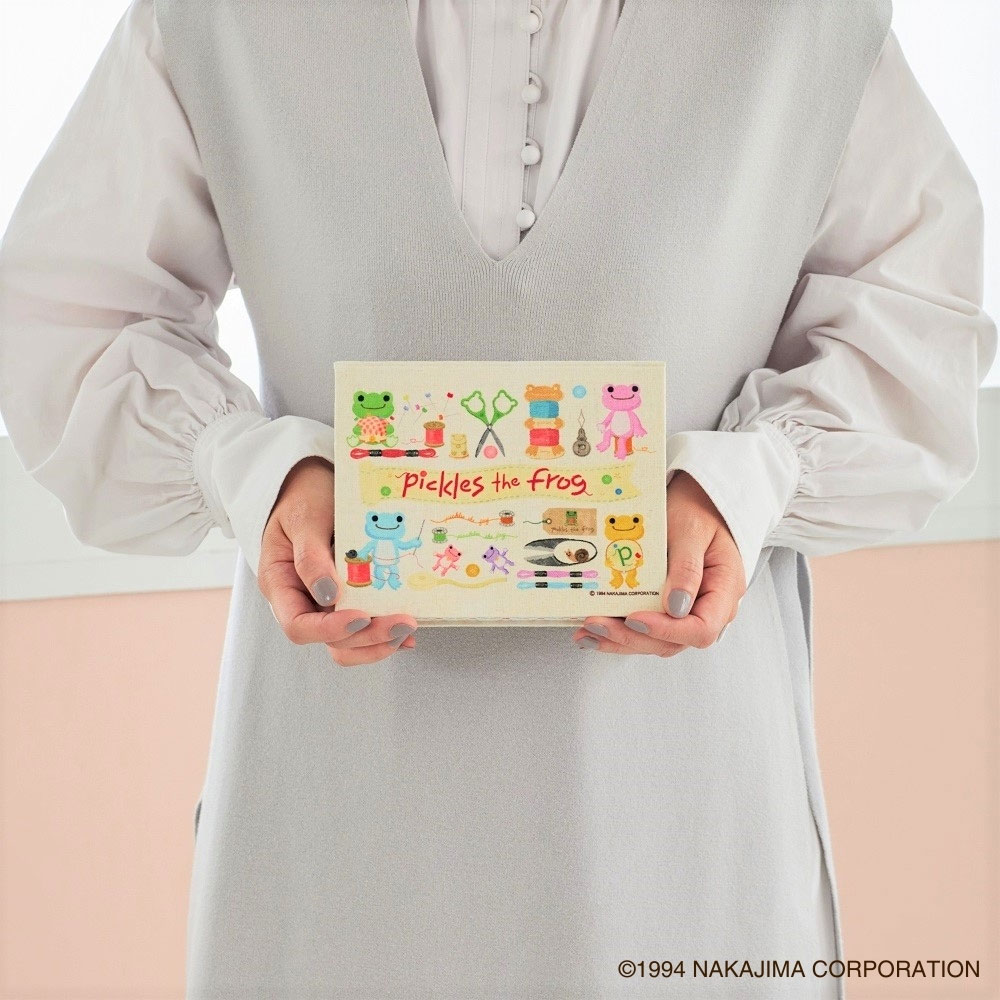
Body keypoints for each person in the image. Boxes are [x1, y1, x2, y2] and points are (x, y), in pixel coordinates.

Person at [0, 1, 995, 996]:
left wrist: (745, 482)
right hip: (338, 810)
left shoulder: (809, 23)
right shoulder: (219, 17)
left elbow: (917, 335)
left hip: (683, 811)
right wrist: (258, 473)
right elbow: (74, 317)